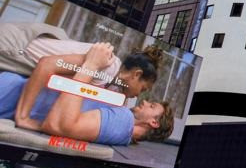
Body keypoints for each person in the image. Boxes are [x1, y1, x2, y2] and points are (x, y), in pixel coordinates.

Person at [0, 43, 173, 146]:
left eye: (150, 104)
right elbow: (46, 64)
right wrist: (22, 117)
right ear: (136, 74)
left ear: (153, 122)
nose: (139, 98)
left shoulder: (114, 90)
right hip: (11, 70)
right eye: (142, 90)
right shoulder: (107, 65)